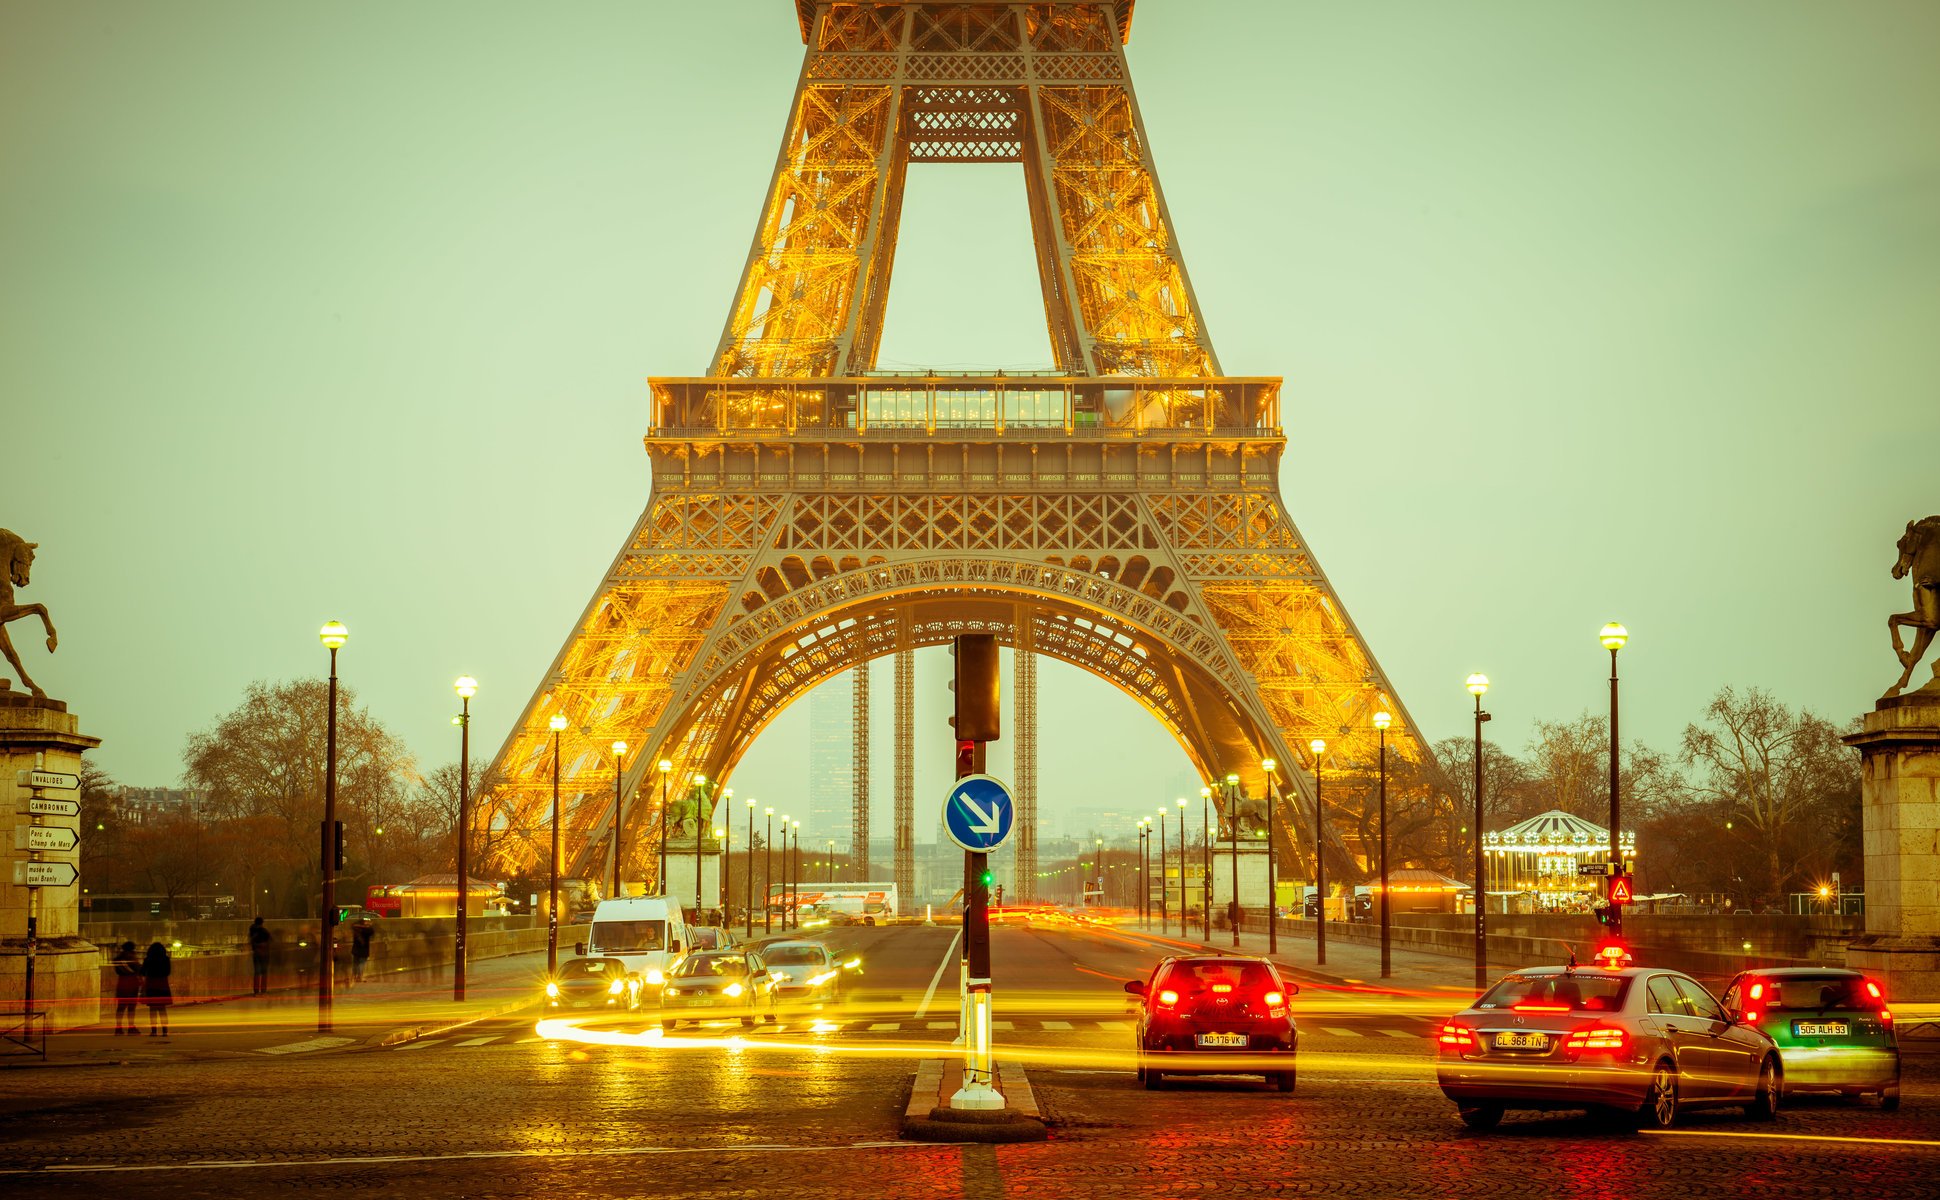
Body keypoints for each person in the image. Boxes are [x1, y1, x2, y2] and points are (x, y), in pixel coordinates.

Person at [140, 942, 173, 1037]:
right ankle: (165, 1031)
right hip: (163, 985)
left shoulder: (148, 959)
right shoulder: (166, 959)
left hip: (151, 985)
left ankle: (154, 1031)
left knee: (153, 1010)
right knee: (162, 1010)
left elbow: (142, 972)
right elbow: (168, 972)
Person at [111, 941, 141, 1034]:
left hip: (122, 983)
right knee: (131, 1007)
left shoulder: (118, 959)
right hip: (132, 983)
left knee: (121, 1007)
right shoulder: (132, 958)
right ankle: (131, 1027)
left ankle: (118, 1027)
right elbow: (139, 969)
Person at [248, 917, 272, 995]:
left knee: (257, 972)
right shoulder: (264, 931)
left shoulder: (252, 930)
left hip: (256, 953)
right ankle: (263, 989)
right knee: (264, 972)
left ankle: (256, 990)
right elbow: (270, 940)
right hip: (264, 954)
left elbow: (251, 941)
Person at [350, 919, 374, 984]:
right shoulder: (367, 930)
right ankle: (360, 977)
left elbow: (352, 925)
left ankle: (354, 977)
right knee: (361, 964)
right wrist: (368, 925)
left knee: (355, 964)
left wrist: (360, 925)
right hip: (364, 950)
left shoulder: (356, 929)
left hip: (355, 950)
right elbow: (372, 931)